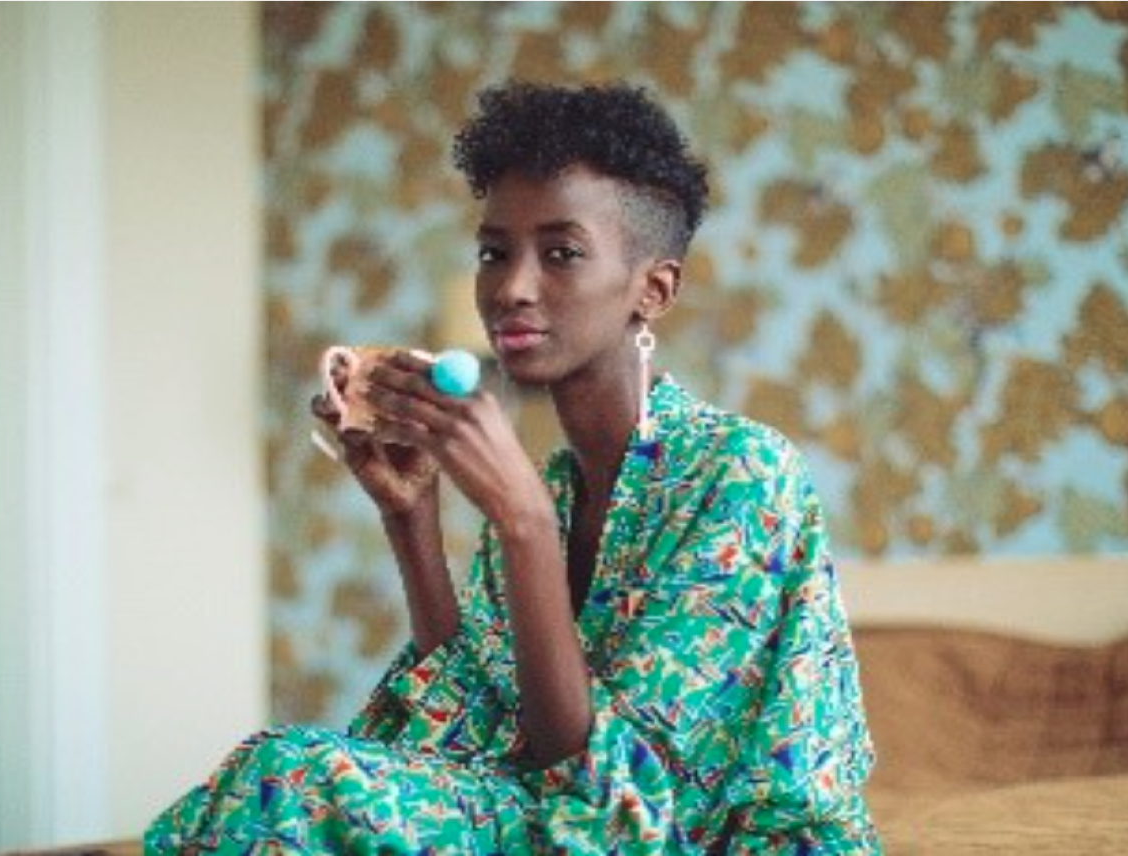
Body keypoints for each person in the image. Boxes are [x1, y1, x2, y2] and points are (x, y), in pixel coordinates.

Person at [146, 81, 878, 854]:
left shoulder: (743, 475)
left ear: (653, 290)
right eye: (495, 252)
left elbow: (622, 808)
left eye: (561, 253)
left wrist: (521, 520)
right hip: (555, 825)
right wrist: (411, 519)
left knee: (290, 778)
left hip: (699, 841)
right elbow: (469, 732)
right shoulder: (553, 493)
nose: (512, 288)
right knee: (279, 774)